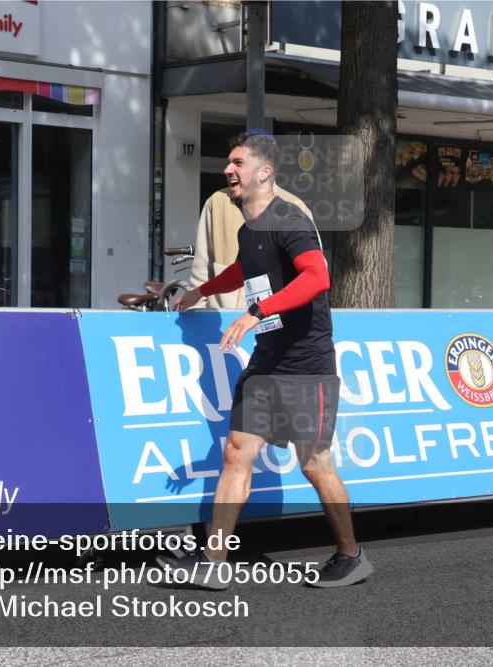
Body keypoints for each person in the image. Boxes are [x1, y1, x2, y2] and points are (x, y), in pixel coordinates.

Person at [162, 130, 372, 589]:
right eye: (228, 162)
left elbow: (318, 277)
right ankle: (215, 563)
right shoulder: (249, 227)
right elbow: (244, 269)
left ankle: (352, 555)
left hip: (305, 360)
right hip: (268, 358)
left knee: (314, 462)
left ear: (264, 172)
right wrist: (202, 290)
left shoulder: (288, 219)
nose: (228, 170)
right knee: (237, 451)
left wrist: (258, 311)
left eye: (237, 162)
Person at [190, 181, 313, 309]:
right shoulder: (216, 201)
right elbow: (202, 268)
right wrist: (197, 310)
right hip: (222, 317)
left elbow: (313, 276)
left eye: (239, 162)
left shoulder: (294, 205)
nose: (229, 169)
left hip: (276, 319)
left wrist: (263, 311)